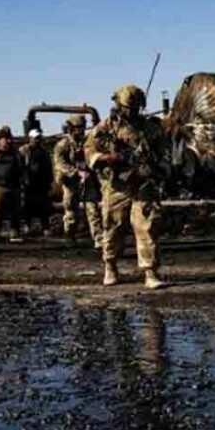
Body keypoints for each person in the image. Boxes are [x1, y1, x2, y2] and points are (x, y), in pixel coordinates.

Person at [85, 85, 169, 289]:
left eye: (135, 107)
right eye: (126, 107)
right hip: (117, 185)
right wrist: (109, 158)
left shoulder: (150, 128)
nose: (130, 111)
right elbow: (90, 153)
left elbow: (164, 153)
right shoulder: (106, 128)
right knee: (113, 226)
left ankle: (150, 271)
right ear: (118, 105)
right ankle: (111, 266)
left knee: (147, 226)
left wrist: (154, 168)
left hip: (143, 184)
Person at [54, 115, 103, 247]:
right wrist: (75, 172)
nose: (80, 131)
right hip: (71, 182)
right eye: (77, 128)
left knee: (93, 210)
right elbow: (59, 163)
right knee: (70, 210)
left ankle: (98, 239)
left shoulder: (87, 142)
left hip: (87, 180)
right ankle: (70, 236)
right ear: (71, 129)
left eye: (82, 128)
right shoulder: (63, 145)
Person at [20, 129, 54, 235]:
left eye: (39, 138)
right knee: (28, 206)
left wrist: (50, 181)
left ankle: (45, 227)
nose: (38, 140)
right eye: (36, 138)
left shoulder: (44, 151)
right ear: (30, 139)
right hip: (29, 183)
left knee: (44, 206)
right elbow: (20, 166)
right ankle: (27, 226)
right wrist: (23, 179)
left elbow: (49, 167)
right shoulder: (24, 150)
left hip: (42, 183)